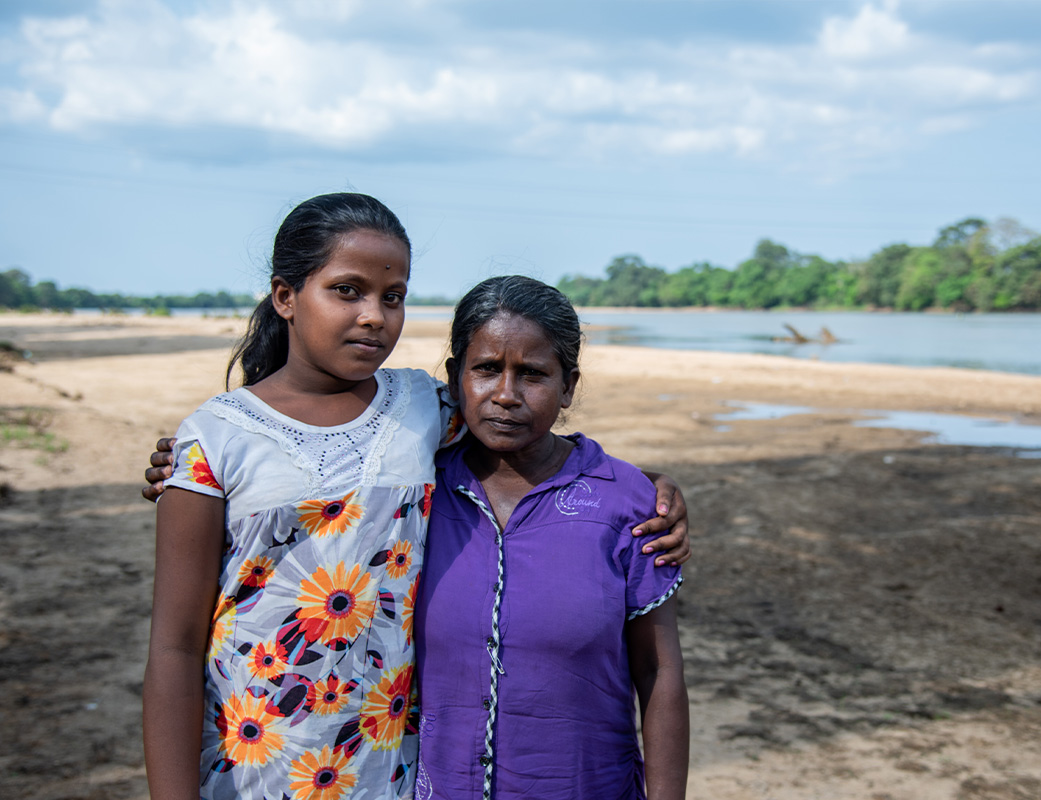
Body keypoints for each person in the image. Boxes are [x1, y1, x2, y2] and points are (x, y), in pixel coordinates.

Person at [142, 193, 689, 800]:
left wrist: (653, 490)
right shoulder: (216, 438)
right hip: (252, 771)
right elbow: (173, 648)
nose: (375, 315)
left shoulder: (420, 408)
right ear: (285, 297)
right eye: (347, 290)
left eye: (393, 296)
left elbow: (524, 421)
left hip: (390, 776)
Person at [414, 276, 688, 800]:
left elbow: (659, 670)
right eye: (487, 369)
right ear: (455, 378)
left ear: (568, 387)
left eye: (533, 374)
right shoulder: (417, 488)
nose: (506, 395)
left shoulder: (626, 501)